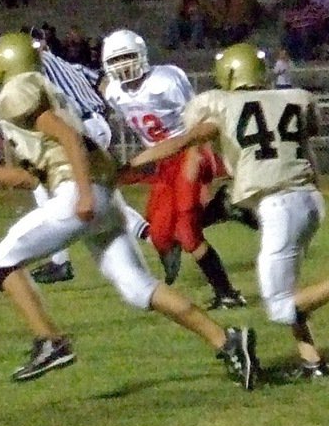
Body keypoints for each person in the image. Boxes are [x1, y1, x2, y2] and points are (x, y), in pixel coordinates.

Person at [0, 32, 259, 389]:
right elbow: (28, 178)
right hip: (101, 195)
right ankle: (227, 340)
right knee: (137, 287)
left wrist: (82, 193)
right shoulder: (40, 93)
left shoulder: (18, 91)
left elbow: (67, 136)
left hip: (80, 192)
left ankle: (51, 341)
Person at [123, 42, 329, 379]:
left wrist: (129, 165)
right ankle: (312, 362)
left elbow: (178, 143)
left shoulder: (222, 107)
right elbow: (306, 137)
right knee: (289, 290)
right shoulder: (294, 98)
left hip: (277, 204)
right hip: (308, 200)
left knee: (279, 305)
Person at [100, 29, 251, 309]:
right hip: (162, 161)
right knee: (159, 234)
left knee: (187, 229)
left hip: (189, 149)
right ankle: (222, 209)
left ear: (143, 55)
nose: (124, 65)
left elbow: (198, 122)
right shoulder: (113, 92)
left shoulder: (166, 79)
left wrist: (198, 159)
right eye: (118, 60)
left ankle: (227, 293)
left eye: (129, 57)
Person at [26, 35, 150, 285]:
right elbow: (104, 83)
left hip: (81, 127)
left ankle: (61, 263)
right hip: (98, 123)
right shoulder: (73, 66)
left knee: (48, 189)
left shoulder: (38, 65)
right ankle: (154, 234)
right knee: (101, 195)